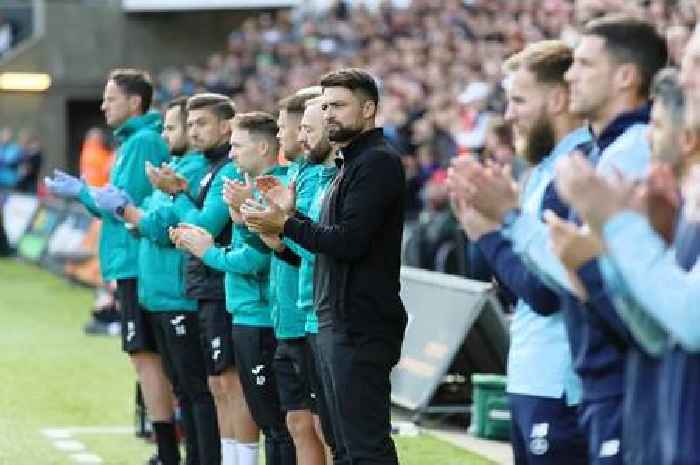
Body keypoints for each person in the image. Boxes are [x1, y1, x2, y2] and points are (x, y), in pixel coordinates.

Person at [449, 15, 667, 465]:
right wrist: (492, 229)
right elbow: (527, 281)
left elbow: (562, 286)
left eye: (585, 64)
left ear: (626, 76)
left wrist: (496, 228)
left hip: (586, 379)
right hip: (569, 375)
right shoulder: (573, 161)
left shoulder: (623, 152)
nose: (572, 75)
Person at [243, 68, 407, 465]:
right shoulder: (351, 164)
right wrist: (284, 228)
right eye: (326, 106)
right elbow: (325, 245)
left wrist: (287, 222)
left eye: (339, 105)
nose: (330, 113)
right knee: (344, 444)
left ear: (368, 109)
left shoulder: (376, 163)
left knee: (365, 446)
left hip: (359, 322)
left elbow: (348, 241)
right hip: (336, 317)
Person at [449, 40, 588, 465]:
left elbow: (547, 293)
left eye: (519, 100)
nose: (508, 115)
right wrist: (480, 227)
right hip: (532, 371)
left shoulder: (577, 170)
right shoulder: (541, 170)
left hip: (560, 378)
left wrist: (490, 232)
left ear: (559, 98)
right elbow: (503, 284)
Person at [44, 68, 174, 465]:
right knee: (145, 356)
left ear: (135, 102)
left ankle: (168, 451)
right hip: (129, 262)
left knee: (147, 356)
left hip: (138, 263)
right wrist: (87, 194)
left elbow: (127, 206)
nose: (102, 106)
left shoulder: (142, 142)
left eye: (110, 98)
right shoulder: (133, 142)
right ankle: (165, 448)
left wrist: (85, 191)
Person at [94, 96, 221, 465]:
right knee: (186, 388)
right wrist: (137, 216)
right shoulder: (176, 167)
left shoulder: (193, 170)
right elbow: (147, 219)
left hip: (179, 292)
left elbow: (159, 223)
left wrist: (131, 212)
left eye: (173, 127)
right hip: (161, 293)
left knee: (199, 390)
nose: (165, 134)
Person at [145, 93, 259, 465]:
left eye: (201, 124)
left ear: (227, 126)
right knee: (216, 383)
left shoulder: (227, 169)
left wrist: (176, 194)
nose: (194, 132)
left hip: (221, 286)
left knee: (228, 383)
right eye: (189, 124)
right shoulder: (211, 167)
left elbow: (203, 226)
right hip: (207, 286)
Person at [175, 111, 295, 465]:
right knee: (272, 419)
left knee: (279, 423)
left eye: (238, 146)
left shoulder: (273, 188)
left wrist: (208, 250)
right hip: (248, 311)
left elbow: (255, 259)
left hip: (262, 315)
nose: (232, 154)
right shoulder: (252, 185)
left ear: (261, 147)